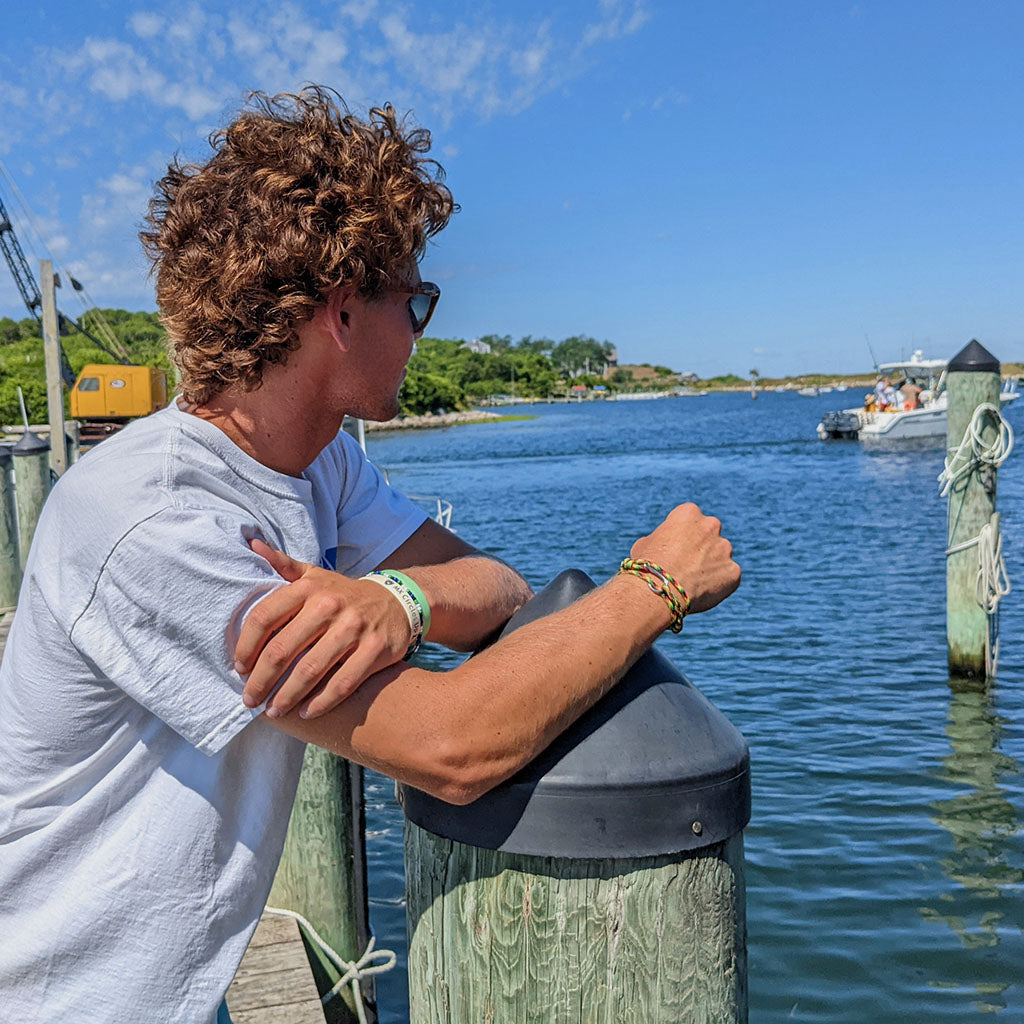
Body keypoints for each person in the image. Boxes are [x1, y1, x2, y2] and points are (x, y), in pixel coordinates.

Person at [0, 88, 740, 1022]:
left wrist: (396, 598)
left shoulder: (318, 461)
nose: (419, 331)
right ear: (343, 311)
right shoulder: (155, 522)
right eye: (416, 301)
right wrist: (658, 585)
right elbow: (454, 747)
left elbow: (496, 585)